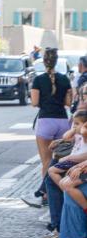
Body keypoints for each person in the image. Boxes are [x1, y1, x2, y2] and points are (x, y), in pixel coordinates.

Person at [31, 48, 73, 201]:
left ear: (44, 62)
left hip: (45, 121)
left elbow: (35, 102)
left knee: (46, 162)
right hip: (62, 122)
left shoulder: (38, 80)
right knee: (63, 161)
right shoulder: (64, 79)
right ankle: (63, 192)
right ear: (56, 61)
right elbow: (69, 103)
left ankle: (47, 195)